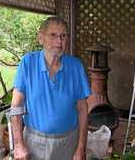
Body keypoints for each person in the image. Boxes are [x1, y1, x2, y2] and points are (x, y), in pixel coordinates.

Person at [10, 17, 91, 160]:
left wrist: (81, 147)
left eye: (63, 36)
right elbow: (16, 106)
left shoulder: (76, 66)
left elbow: (82, 109)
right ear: (41, 38)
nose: (59, 41)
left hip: (68, 142)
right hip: (34, 143)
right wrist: (18, 144)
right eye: (53, 35)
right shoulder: (28, 63)